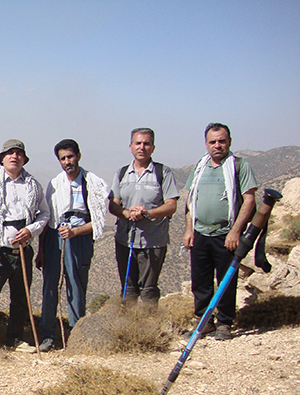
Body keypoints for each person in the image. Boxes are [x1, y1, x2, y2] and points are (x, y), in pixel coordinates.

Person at [0, 139, 49, 357]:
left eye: (19, 153)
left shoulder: (33, 185)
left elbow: (44, 214)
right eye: (10, 153)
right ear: (2, 158)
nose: (14, 157)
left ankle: (14, 339)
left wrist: (31, 230)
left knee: (21, 299)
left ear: (24, 158)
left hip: (23, 250)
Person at [183, 123, 258, 341]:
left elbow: (249, 199)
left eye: (221, 141)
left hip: (225, 232)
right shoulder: (200, 166)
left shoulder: (239, 166)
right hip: (199, 232)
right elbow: (190, 200)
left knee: (225, 279)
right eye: (213, 141)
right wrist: (189, 228)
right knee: (200, 280)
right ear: (206, 144)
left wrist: (235, 231)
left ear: (229, 142)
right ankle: (204, 321)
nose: (217, 145)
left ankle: (225, 322)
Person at [37, 139, 109, 350]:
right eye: (63, 158)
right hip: (54, 238)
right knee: (50, 286)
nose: (67, 161)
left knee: (76, 286)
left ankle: (77, 335)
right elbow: (47, 217)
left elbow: (97, 221)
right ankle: (48, 336)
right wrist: (41, 249)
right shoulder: (55, 184)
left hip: (80, 239)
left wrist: (75, 231)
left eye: (70, 156)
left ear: (78, 155)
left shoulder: (93, 183)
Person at [108, 128, 179, 306]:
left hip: (154, 241)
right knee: (128, 288)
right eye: (138, 143)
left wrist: (146, 213)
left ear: (153, 147)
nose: (142, 147)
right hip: (126, 240)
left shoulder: (163, 172)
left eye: (146, 143)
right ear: (130, 146)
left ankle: (148, 327)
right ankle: (128, 327)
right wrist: (127, 213)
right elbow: (113, 205)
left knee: (149, 290)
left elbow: (171, 205)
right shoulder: (122, 173)